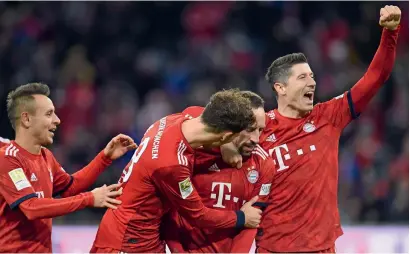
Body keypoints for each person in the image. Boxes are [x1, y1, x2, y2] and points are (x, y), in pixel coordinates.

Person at [220, 5, 402, 253]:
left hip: (323, 249)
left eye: (312, 76)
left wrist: (390, 33)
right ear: (280, 88)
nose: (312, 82)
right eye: (302, 77)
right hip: (274, 250)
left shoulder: (328, 116)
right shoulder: (258, 129)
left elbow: (376, 76)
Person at [91, 88, 264, 253]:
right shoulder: (172, 164)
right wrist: (242, 217)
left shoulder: (170, 121)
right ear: (225, 135)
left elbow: (196, 111)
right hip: (127, 241)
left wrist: (227, 145)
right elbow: (199, 215)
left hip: (146, 237)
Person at [0, 82, 138, 252]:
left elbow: (70, 187)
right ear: (26, 119)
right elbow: (31, 207)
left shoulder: (45, 156)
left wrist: (105, 158)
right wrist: (89, 199)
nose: (57, 120)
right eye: (49, 114)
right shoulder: (8, 159)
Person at [163, 91, 276, 253]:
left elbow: (251, 223)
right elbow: (191, 112)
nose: (256, 139)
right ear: (233, 124)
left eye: (260, 130)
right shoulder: (198, 149)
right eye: (250, 129)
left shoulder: (263, 164)